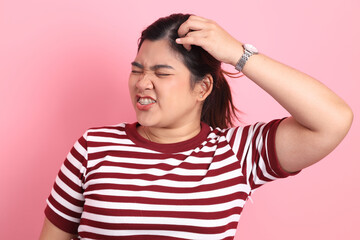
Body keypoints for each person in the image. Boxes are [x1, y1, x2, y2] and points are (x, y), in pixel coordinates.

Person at [39, 13, 353, 240]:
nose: (143, 84)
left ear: (202, 89)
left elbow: (332, 120)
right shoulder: (93, 148)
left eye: (161, 74)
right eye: (137, 71)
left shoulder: (235, 154)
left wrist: (238, 55)